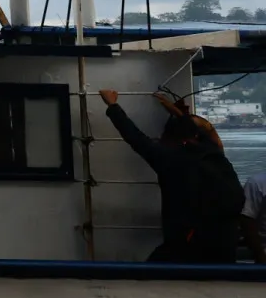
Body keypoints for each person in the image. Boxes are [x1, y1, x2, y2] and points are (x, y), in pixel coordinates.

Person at [100, 89, 243, 263]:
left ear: (170, 139)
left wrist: (112, 105)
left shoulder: (170, 159)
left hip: (188, 247)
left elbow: (136, 138)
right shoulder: (213, 152)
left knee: (146, 276)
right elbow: (202, 129)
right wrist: (177, 113)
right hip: (226, 244)